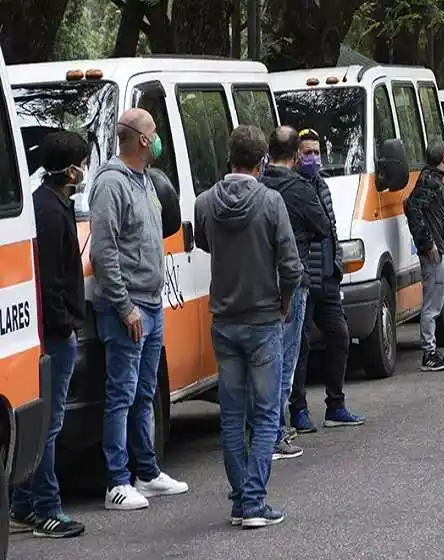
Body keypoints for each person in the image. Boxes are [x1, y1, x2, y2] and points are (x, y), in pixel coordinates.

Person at [195, 125, 303, 529]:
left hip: (223, 321)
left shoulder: (205, 202)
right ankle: (254, 502)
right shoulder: (271, 202)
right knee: (264, 415)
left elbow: (204, 242)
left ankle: (241, 497)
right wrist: (286, 300)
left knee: (231, 415)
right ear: (261, 161)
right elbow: (291, 266)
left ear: (229, 157)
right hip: (262, 320)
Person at [89, 108, 188, 511]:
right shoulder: (111, 184)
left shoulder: (145, 180)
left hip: (150, 302)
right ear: (143, 140)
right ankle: (117, 481)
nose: (158, 138)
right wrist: (125, 305)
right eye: (153, 131)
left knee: (145, 391)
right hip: (126, 308)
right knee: (122, 394)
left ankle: (146, 473)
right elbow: (104, 251)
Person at [9, 131, 87, 538]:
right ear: (70, 170)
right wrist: (66, 323)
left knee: (41, 422)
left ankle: (22, 504)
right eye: (81, 164)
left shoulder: (46, 203)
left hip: (50, 330)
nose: (83, 171)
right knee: (50, 424)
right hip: (55, 334)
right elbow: (53, 281)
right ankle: (47, 507)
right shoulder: (53, 213)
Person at [260, 125, 331, 459]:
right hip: (293, 279)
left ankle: (265, 431)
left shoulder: (257, 184)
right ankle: (274, 435)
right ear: (294, 155)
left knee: (262, 363)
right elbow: (323, 227)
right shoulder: (300, 190)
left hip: (258, 281)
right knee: (285, 363)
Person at [288, 129, 364, 433]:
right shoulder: (294, 189)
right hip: (305, 279)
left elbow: (330, 228)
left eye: (317, 152)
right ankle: (299, 409)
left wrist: (336, 267)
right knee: (300, 347)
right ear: (296, 156)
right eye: (307, 153)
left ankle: (336, 405)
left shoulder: (321, 185)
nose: (314, 158)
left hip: (328, 278)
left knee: (340, 336)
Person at [404, 140, 444, 371]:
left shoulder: (434, 181)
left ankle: (431, 350)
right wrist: (428, 243)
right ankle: (429, 352)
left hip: (442, 248)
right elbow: (412, 208)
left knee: (435, 300)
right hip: (435, 252)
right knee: (432, 304)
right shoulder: (429, 182)